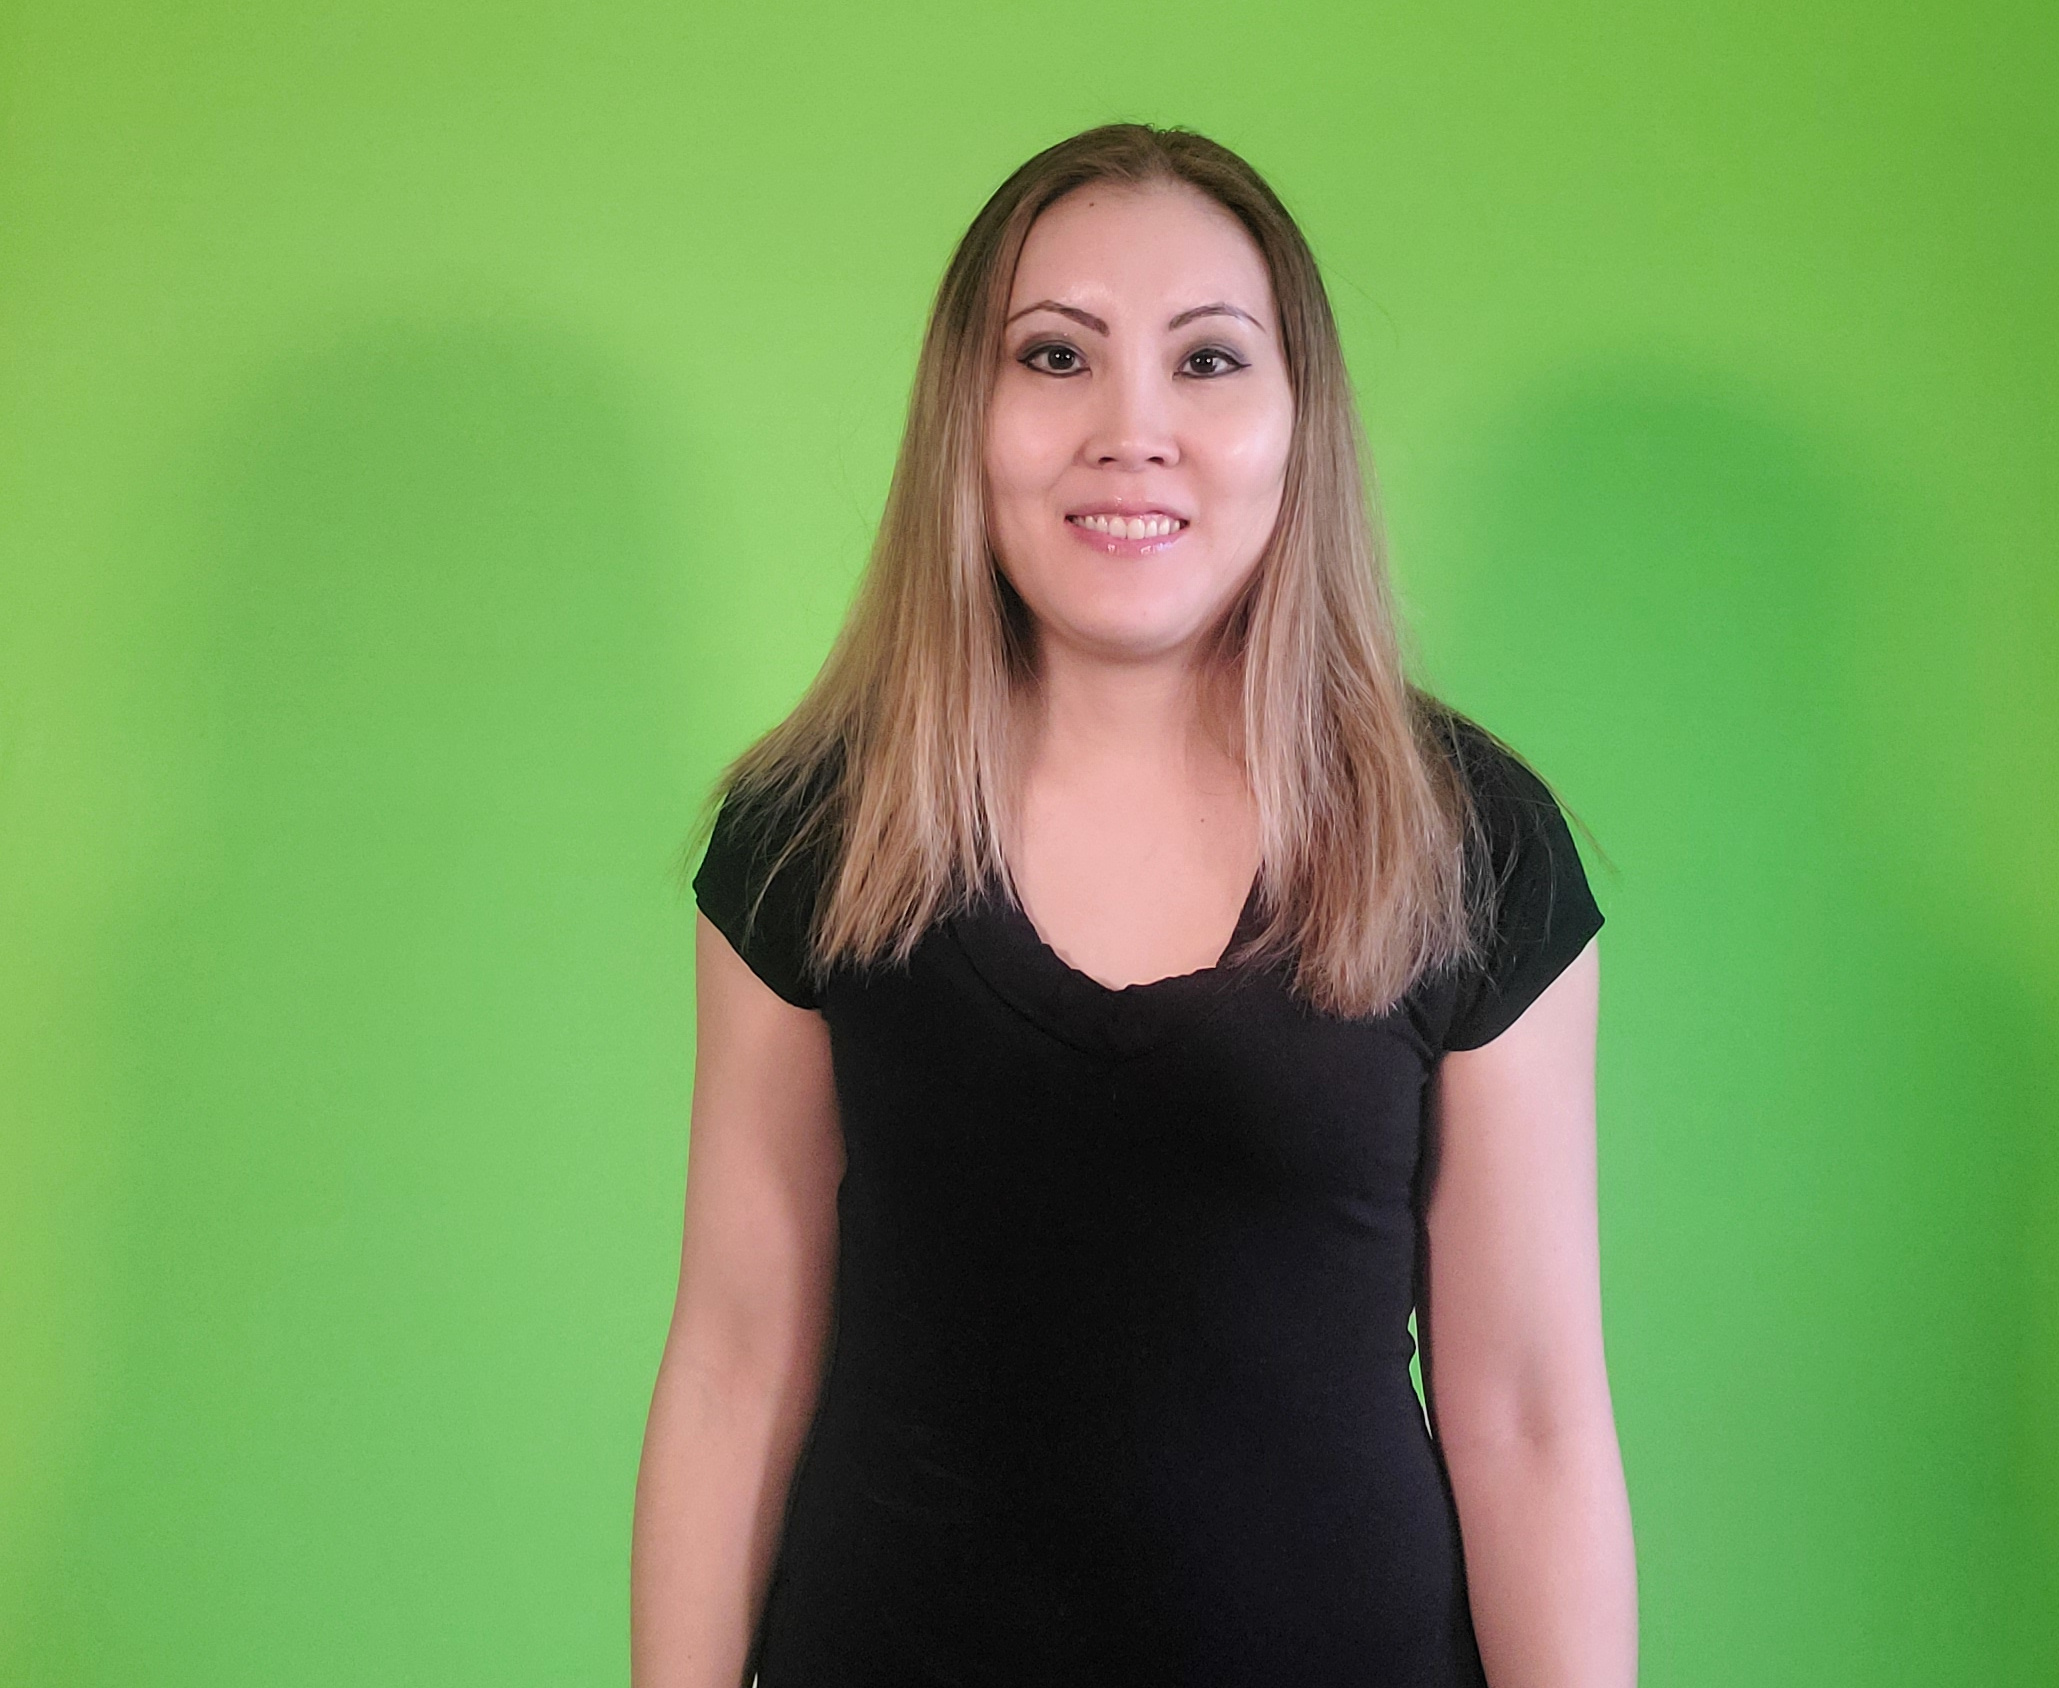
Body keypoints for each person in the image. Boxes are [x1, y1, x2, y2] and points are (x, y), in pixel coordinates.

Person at [631, 122, 1637, 1688]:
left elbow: (1529, 1411)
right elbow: (736, 1360)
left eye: (1208, 361)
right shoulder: (815, 828)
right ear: (966, 416)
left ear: (1299, 423)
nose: (1132, 430)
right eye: (1057, 355)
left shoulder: (1465, 840)